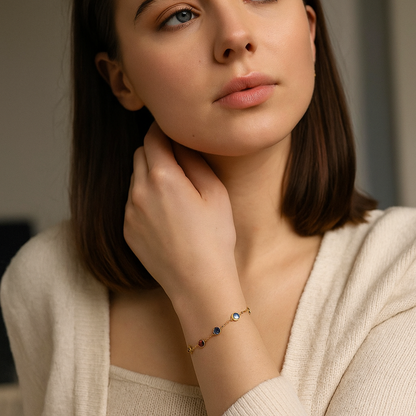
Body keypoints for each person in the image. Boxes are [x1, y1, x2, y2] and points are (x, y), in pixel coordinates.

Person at [1, 0, 416, 415]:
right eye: (180, 14)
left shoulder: (401, 271)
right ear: (121, 79)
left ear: (310, 31)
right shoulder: (47, 282)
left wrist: (202, 290)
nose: (236, 37)